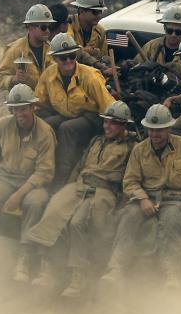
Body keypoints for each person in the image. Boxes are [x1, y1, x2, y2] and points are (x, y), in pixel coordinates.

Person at [26, 101, 136, 297]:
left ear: (123, 125)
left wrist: (122, 201)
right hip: (80, 184)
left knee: (79, 222)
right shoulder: (96, 141)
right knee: (54, 212)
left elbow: (131, 177)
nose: (107, 127)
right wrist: (68, 186)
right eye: (105, 122)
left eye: (113, 123)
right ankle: (49, 269)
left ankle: (79, 275)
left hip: (105, 190)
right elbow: (79, 166)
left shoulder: (132, 147)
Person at [101, 104, 181, 290]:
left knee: (171, 223)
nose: (155, 135)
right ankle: (115, 270)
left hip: (174, 200)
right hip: (146, 199)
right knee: (127, 219)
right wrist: (142, 199)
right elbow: (130, 181)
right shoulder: (139, 150)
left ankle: (171, 275)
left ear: (169, 128)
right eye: (151, 130)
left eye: (160, 130)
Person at [0, 84, 56, 281]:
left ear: (32, 108)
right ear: (11, 110)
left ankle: (25, 259)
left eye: (24, 108)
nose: (20, 113)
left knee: (35, 203)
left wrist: (18, 196)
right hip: (5, 177)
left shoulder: (45, 133)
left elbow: (45, 172)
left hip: (33, 183)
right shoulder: (3, 126)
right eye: (16, 109)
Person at [34, 33, 115, 186]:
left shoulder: (90, 76)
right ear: (55, 59)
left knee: (67, 129)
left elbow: (108, 106)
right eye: (63, 57)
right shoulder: (48, 75)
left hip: (93, 118)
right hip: (66, 114)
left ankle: (61, 178)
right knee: (45, 125)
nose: (68, 61)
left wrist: (112, 131)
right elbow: (39, 102)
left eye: (72, 56)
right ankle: (41, 167)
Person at [0, 4, 55, 91]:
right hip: (25, 102)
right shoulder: (15, 50)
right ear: (30, 27)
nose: (48, 31)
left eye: (50, 27)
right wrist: (13, 79)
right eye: (43, 27)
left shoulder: (53, 50)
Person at [134, 5, 181, 77]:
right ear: (164, 28)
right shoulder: (151, 46)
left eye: (178, 32)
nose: (173, 35)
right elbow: (135, 66)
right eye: (170, 31)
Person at [68, 0, 110, 72]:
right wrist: (88, 52)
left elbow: (104, 56)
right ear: (82, 11)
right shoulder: (68, 26)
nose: (99, 16)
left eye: (100, 12)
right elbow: (70, 52)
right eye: (95, 12)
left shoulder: (100, 31)